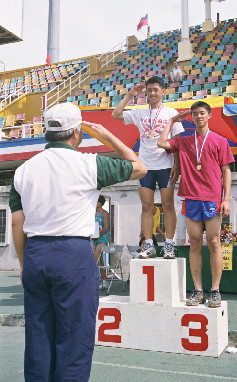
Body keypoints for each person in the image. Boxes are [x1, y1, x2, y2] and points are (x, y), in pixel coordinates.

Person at [9, 102, 147, 382]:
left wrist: (24, 264)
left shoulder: (23, 170)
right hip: (72, 253)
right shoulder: (89, 163)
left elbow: (16, 222)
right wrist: (106, 136)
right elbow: (139, 167)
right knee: (75, 336)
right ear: (76, 132)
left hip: (36, 253)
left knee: (38, 334)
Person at [158, 101, 235, 308]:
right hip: (190, 197)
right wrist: (173, 120)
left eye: (202, 113)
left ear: (209, 115)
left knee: (214, 242)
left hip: (212, 198)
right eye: (194, 114)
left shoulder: (220, 141)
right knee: (193, 242)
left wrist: (226, 198)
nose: (198, 116)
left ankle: (215, 290)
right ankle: (198, 290)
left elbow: (226, 171)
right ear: (190, 117)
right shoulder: (184, 141)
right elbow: (161, 143)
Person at [112, 76, 184, 259]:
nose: (152, 93)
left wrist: (177, 164)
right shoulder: (139, 113)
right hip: (145, 166)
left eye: (156, 90)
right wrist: (130, 94)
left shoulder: (171, 113)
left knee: (167, 205)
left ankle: (169, 244)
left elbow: (176, 142)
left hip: (166, 165)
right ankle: (149, 245)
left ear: (163, 91)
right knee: (146, 206)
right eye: (149, 90)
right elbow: (116, 114)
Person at [92, 194, 110, 289]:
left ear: (101, 203)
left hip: (103, 238)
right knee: (100, 261)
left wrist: (98, 235)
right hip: (95, 239)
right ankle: (104, 279)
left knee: (95, 259)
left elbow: (106, 228)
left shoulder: (105, 213)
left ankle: (91, 279)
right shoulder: (93, 214)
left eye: (96, 201)